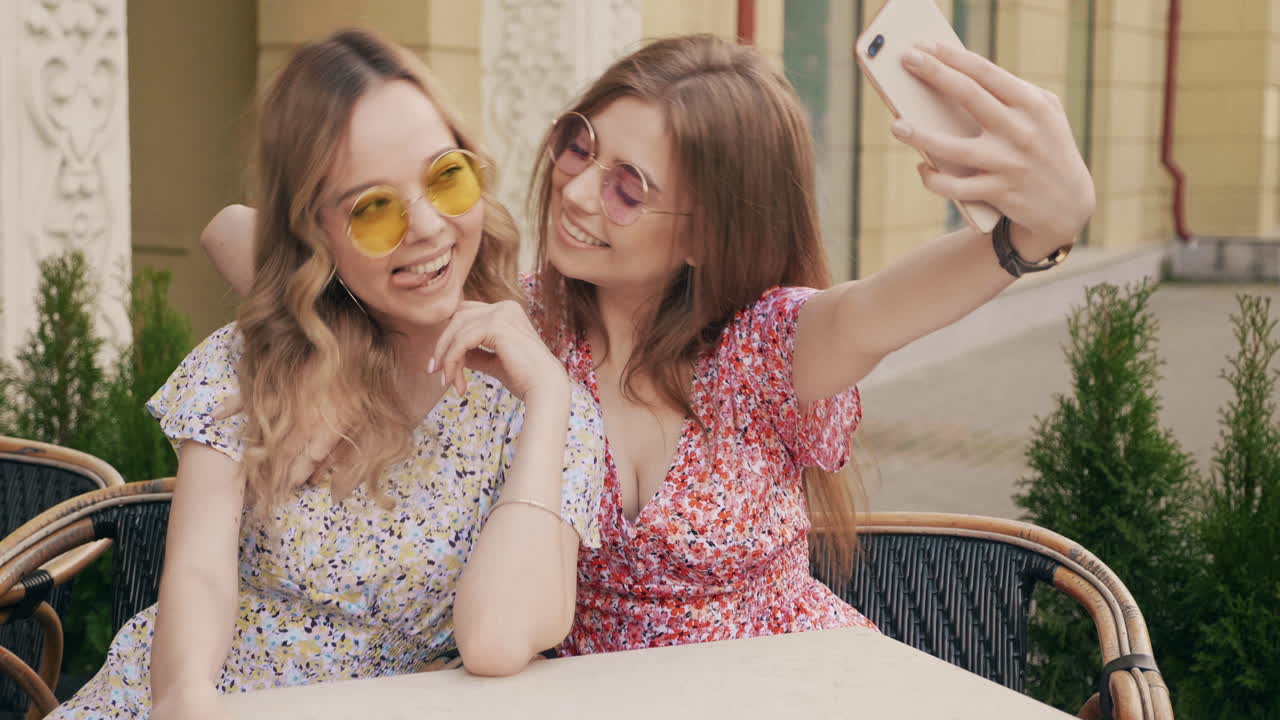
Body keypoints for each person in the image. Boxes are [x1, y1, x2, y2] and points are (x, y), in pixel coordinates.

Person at [201, 34, 1093, 657]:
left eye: (629, 188)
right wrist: (327, 346)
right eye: (579, 146)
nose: (580, 191)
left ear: (708, 233)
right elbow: (236, 229)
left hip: (778, 684)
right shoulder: (520, 318)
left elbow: (883, 309)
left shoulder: (762, 351)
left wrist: (1026, 238)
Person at [48, 29, 604, 720]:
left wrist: (549, 399)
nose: (427, 227)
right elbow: (199, 572)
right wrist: (187, 699)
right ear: (315, 233)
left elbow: (496, 640)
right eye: (373, 209)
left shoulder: (545, 405)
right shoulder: (257, 364)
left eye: (446, 176)